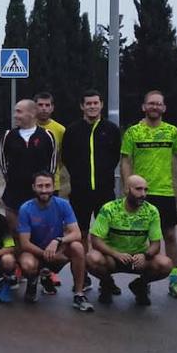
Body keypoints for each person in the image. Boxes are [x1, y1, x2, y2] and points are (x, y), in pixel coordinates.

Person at [120, 90, 177, 299]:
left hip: (164, 191)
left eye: (158, 104)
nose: (154, 107)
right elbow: (126, 160)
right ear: (144, 107)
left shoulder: (172, 131)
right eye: (151, 103)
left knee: (169, 236)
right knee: (143, 238)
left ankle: (174, 281)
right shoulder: (133, 132)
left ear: (164, 108)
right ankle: (145, 279)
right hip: (140, 191)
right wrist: (127, 184)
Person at [86, 175, 173, 307]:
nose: (143, 194)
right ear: (127, 190)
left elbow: (156, 244)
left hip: (138, 259)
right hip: (112, 258)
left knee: (165, 264)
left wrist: (146, 255)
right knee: (92, 258)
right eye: (138, 189)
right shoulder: (109, 209)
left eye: (145, 190)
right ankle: (107, 283)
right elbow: (95, 239)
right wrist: (116, 254)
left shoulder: (152, 211)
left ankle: (140, 286)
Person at [17, 173, 94, 312]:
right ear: (33, 187)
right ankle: (33, 281)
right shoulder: (25, 209)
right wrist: (45, 253)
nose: (44, 190)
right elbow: (24, 243)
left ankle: (79, 294)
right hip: (35, 252)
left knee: (77, 247)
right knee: (27, 263)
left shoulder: (63, 205)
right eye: (40, 186)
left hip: (58, 250)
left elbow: (76, 233)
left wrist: (58, 240)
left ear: (53, 187)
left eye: (48, 186)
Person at [62, 89, 122, 249]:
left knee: (105, 234)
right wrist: (78, 175)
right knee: (80, 233)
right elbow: (66, 157)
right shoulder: (72, 131)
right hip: (80, 191)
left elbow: (115, 156)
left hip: (105, 190)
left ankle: (102, 268)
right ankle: (83, 271)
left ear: (101, 105)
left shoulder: (111, 130)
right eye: (88, 103)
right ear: (82, 106)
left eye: (95, 103)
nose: (92, 106)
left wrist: (105, 172)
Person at [0, 99, 58, 217]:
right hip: (14, 193)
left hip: (38, 194)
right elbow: (3, 163)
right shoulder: (8, 136)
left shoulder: (47, 135)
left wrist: (43, 185)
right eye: (15, 112)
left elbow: (52, 164)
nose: (15, 116)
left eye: (19, 112)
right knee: (16, 230)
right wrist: (13, 180)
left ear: (32, 113)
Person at [34, 91, 66, 190]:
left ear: (52, 108)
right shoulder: (28, 127)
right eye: (40, 105)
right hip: (31, 182)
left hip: (52, 183)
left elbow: (62, 156)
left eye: (47, 105)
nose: (44, 108)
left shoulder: (60, 130)